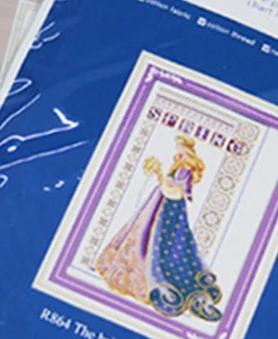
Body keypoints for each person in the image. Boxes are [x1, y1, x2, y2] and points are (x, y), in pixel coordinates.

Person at [95, 134, 222, 321]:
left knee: (160, 238)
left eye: (180, 148)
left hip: (169, 206)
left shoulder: (185, 168)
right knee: (147, 231)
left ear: (186, 150)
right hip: (162, 201)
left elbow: (176, 190)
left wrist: (161, 177)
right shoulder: (179, 165)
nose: (177, 151)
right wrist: (160, 176)